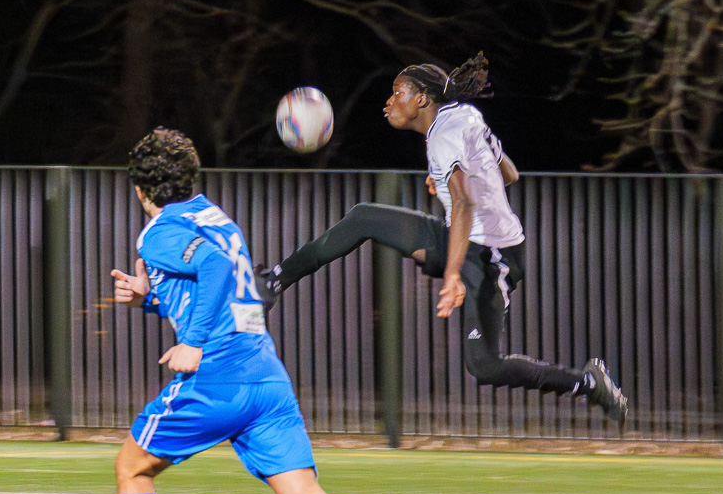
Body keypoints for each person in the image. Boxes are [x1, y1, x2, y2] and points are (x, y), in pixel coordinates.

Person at [96, 128, 433, 494]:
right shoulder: (217, 218)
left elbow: (209, 268)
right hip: (265, 376)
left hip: (218, 379)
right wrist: (151, 297)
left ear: (141, 190)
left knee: (131, 468)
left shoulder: (159, 232)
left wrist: (194, 344)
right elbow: (226, 285)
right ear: (191, 177)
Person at [258, 54, 628, 421]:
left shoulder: (443, 135)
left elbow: (464, 202)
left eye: (397, 93)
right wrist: (456, 181)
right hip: (461, 238)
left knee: (485, 365)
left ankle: (586, 383)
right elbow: (509, 174)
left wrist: (452, 273)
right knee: (363, 218)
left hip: (491, 257)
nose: (389, 101)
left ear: (421, 99)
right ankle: (274, 280)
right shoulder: (464, 117)